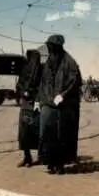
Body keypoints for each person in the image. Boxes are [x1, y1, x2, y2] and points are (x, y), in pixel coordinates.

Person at [35, 34, 82, 174]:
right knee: (47, 135)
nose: (48, 48)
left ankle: (60, 164)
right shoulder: (49, 61)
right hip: (48, 105)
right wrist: (39, 100)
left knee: (62, 136)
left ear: (57, 46)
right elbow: (43, 82)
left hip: (64, 107)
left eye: (50, 46)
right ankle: (50, 162)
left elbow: (75, 82)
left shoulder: (70, 62)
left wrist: (63, 95)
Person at [16, 50, 43, 167]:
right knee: (24, 133)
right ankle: (27, 157)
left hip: (37, 106)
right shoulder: (25, 70)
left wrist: (37, 98)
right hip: (26, 105)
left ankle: (40, 157)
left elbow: (44, 87)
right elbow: (19, 85)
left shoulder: (42, 71)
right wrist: (24, 93)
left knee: (38, 132)